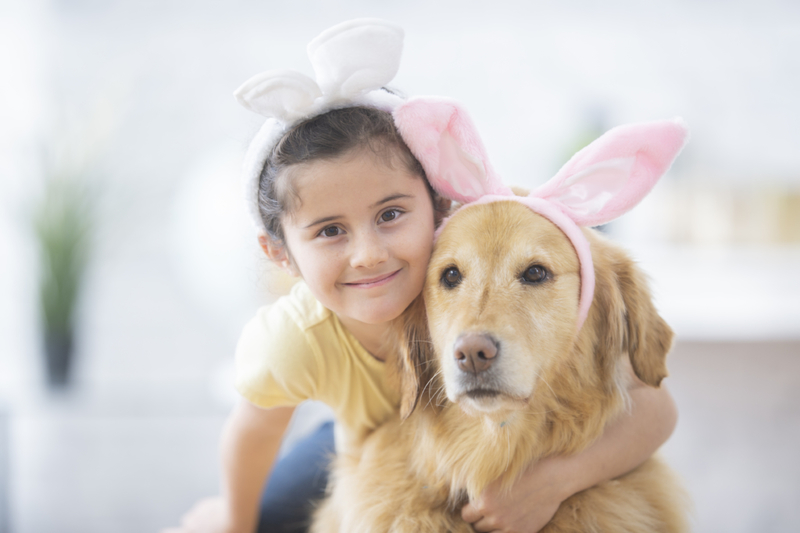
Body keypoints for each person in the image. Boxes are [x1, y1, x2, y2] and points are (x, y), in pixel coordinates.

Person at [165, 20, 678, 533]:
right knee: (271, 513)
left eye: (389, 215)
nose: (368, 255)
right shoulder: (294, 339)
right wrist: (233, 521)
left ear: (435, 209)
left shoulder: (458, 244)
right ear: (281, 254)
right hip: (354, 436)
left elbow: (655, 406)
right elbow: (251, 436)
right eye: (329, 231)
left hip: (449, 442)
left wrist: (553, 481)